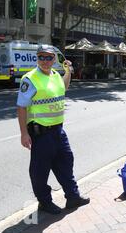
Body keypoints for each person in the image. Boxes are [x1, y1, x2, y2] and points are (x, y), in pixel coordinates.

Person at [17, 45, 89, 215]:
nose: (45, 61)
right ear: (37, 58)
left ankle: (73, 197)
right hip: (40, 133)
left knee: (66, 163)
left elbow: (63, 88)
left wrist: (68, 72)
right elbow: (21, 107)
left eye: (49, 57)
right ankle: (45, 202)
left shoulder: (55, 75)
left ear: (54, 59)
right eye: (41, 57)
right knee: (40, 171)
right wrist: (23, 133)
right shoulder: (30, 79)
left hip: (58, 131)